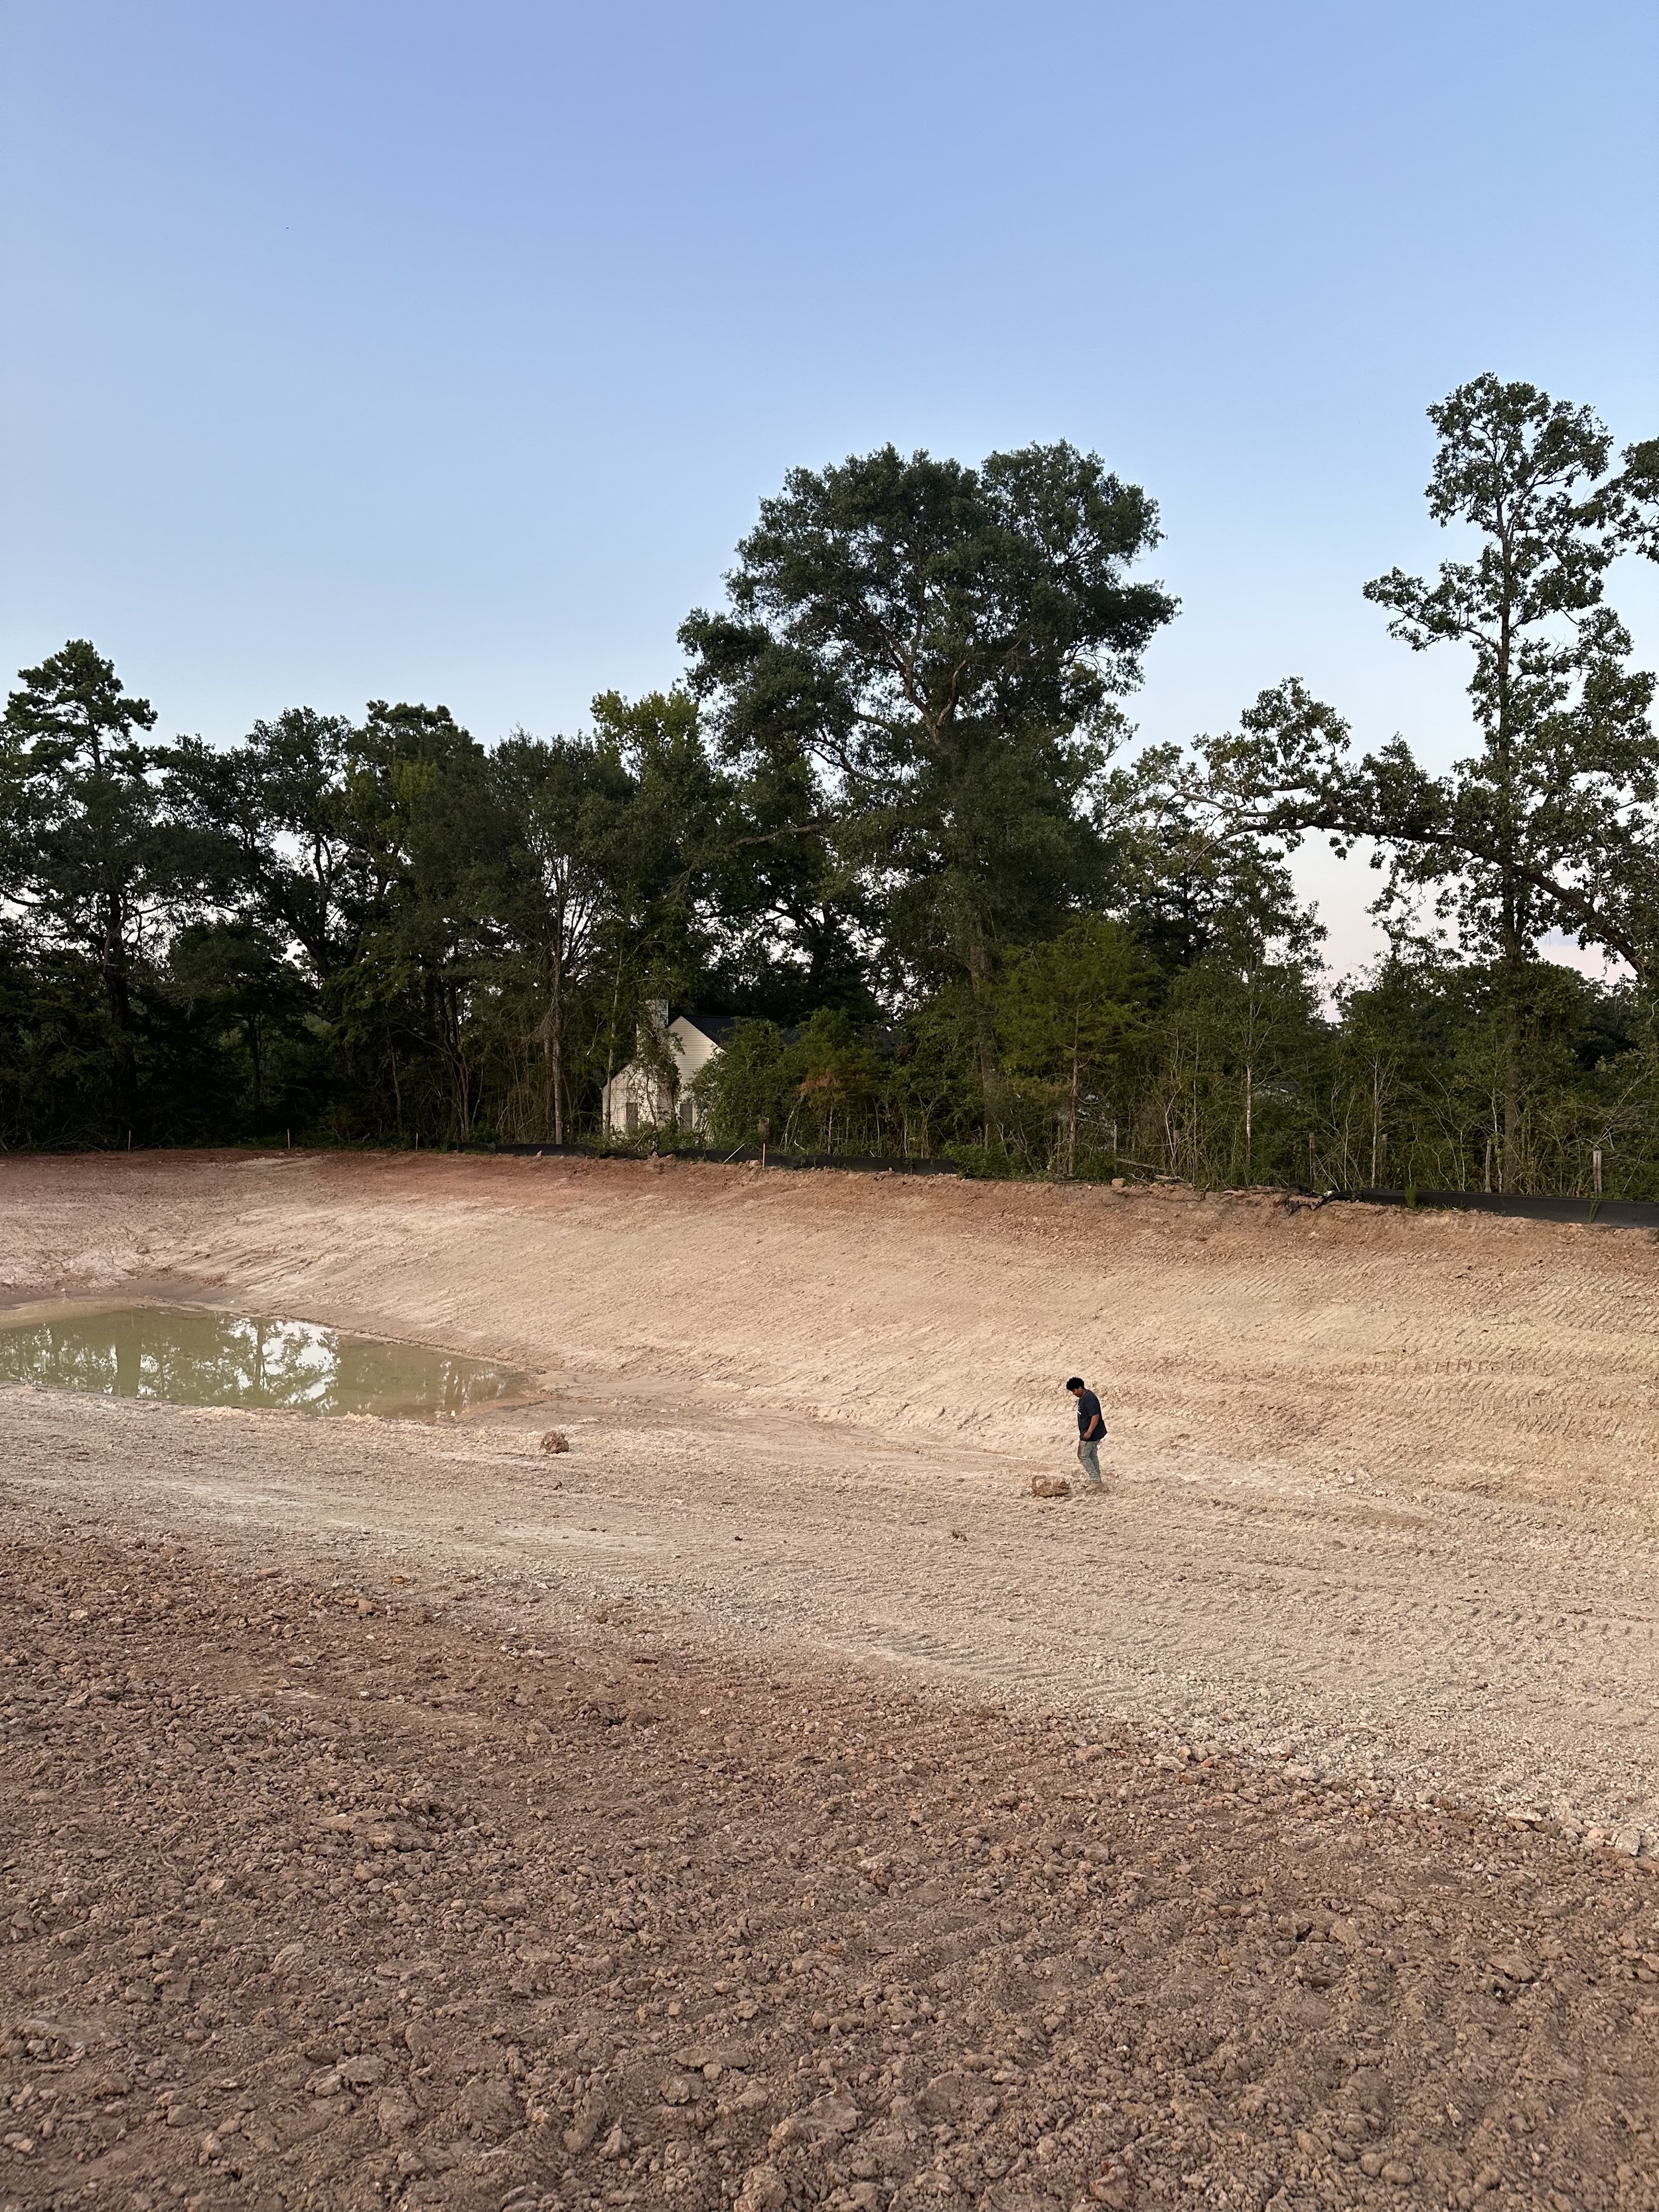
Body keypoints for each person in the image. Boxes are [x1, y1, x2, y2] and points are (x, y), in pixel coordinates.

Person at [1066, 1376, 1106, 1491]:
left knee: (1083, 1455)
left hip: (1091, 1433)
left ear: (1080, 1388)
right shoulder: (1084, 1397)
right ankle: (1097, 1479)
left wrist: (1089, 1432)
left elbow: (1095, 1415)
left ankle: (1096, 1481)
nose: (1073, 1393)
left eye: (1074, 1391)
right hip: (1093, 1432)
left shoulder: (1089, 1398)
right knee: (1092, 1455)